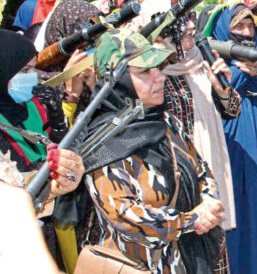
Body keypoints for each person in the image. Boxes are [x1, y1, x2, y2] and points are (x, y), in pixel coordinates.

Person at [82, 28, 226, 273]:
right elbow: (124, 216)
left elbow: (201, 170)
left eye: (158, 69)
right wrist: (191, 220)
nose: (160, 77)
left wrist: (210, 204)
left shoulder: (166, 123)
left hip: (188, 260)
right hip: (138, 265)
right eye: (145, 72)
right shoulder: (103, 141)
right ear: (118, 81)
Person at [139, 0, 241, 234]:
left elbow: (233, 111)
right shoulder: (146, 70)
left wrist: (222, 89)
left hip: (210, 171)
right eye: (181, 20)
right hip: (173, 179)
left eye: (191, 17)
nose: (191, 25)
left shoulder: (201, 58)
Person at [0, 29, 85, 271]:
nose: (34, 77)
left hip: (57, 222)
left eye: (34, 69)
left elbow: (66, 141)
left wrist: (69, 168)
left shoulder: (43, 98)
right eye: (24, 71)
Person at [211, 4, 257, 274]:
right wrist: (241, 73)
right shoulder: (215, 65)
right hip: (231, 150)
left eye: (250, 26)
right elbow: (222, 103)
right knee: (237, 218)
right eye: (238, 26)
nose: (246, 32)